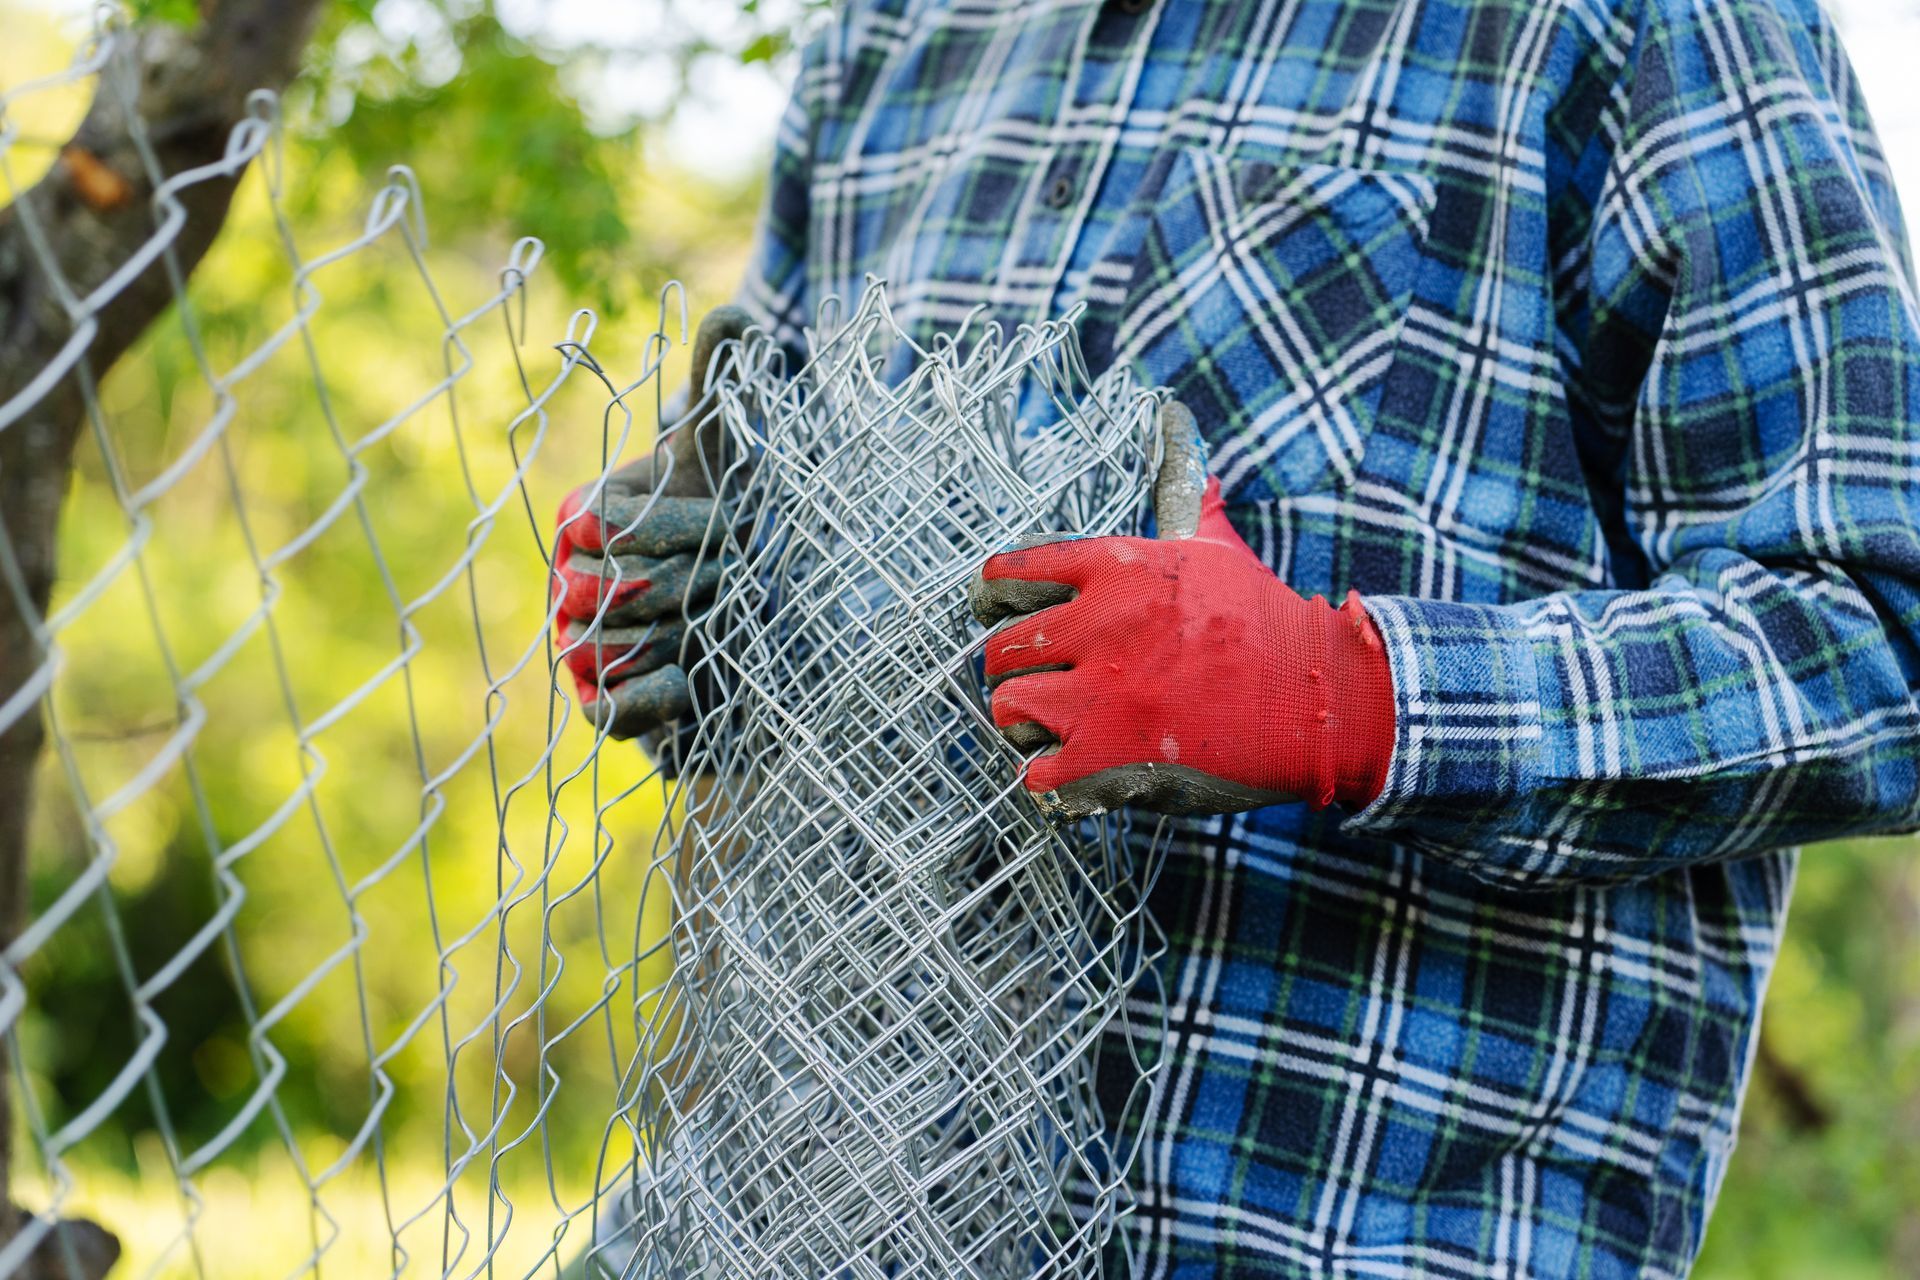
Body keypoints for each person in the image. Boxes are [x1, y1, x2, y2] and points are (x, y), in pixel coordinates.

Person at [552, 0, 1920, 1274]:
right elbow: (762, 530)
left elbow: (1879, 633)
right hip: (794, 1220)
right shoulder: (890, 42)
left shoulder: (1628, 25)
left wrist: (1351, 698)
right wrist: (709, 623)